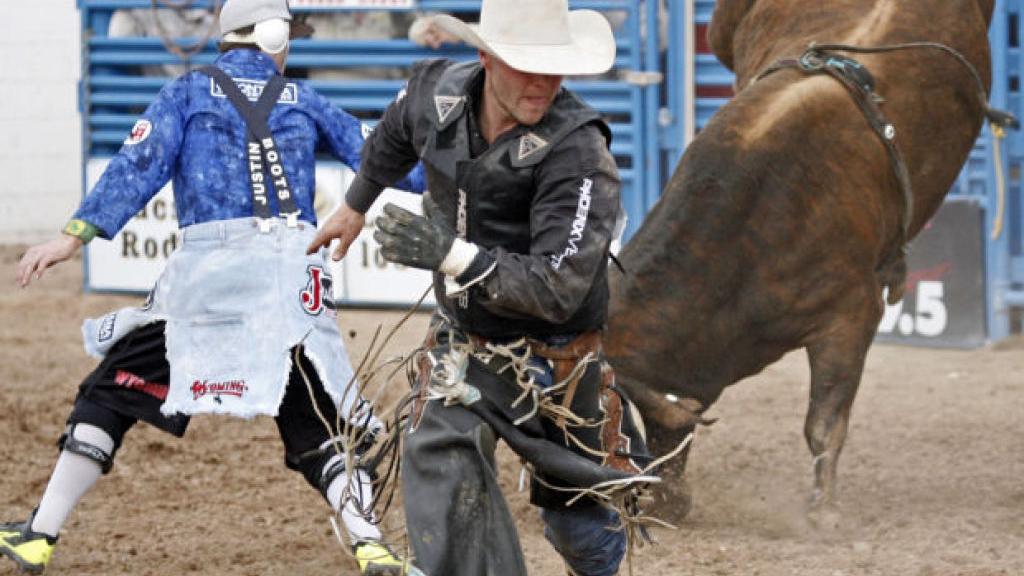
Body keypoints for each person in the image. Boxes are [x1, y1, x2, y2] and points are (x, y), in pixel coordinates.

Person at [1, 1, 425, 575]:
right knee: (319, 426)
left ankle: (39, 533)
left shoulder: (186, 93)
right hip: (290, 284)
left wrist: (73, 236)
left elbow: (137, 165)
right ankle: (372, 545)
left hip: (208, 283)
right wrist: (459, 166)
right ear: (272, 36)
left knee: (109, 394)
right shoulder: (305, 100)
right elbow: (384, 158)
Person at [308, 1, 656, 575]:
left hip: (557, 356)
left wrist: (451, 254)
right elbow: (395, 132)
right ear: (487, 59)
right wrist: (354, 204)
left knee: (577, 521)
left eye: (553, 66)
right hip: (466, 339)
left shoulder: (578, 151)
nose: (543, 82)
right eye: (526, 65)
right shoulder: (435, 92)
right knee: (441, 456)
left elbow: (558, 288)